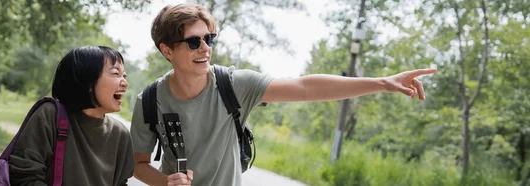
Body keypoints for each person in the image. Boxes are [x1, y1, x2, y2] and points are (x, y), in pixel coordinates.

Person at [130, 3, 437, 186]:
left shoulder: (234, 84)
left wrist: (382, 82)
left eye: (209, 38)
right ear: (167, 50)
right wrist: (165, 182)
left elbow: (304, 87)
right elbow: (139, 165)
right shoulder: (149, 101)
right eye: (194, 42)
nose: (206, 48)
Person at [9, 46, 135, 186]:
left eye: (124, 76)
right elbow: (24, 177)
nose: (125, 83)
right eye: (115, 73)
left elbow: (121, 183)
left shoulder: (120, 133)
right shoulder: (49, 115)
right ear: (87, 80)